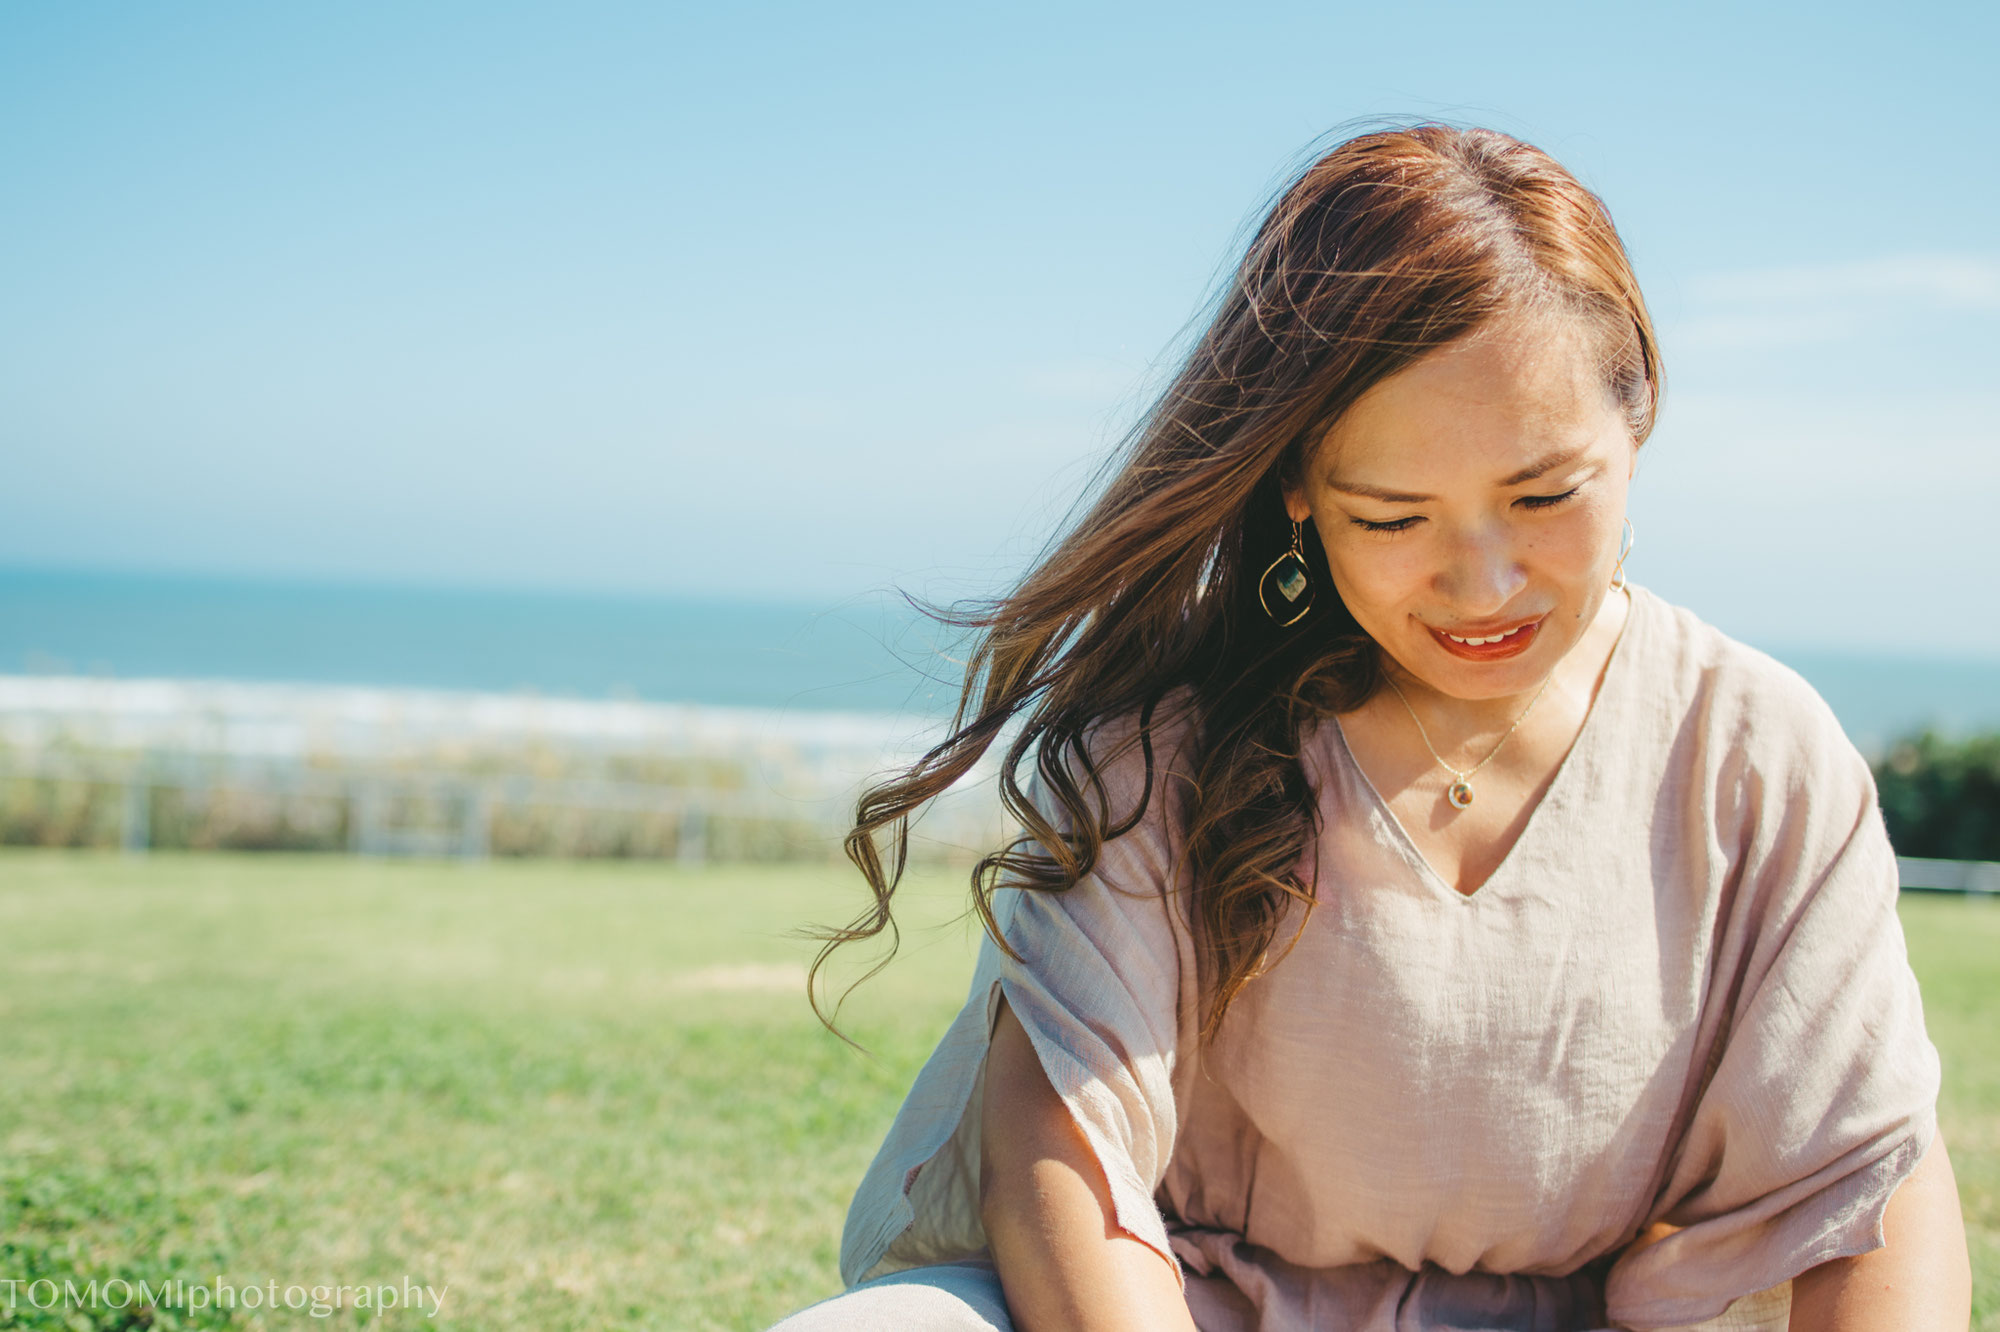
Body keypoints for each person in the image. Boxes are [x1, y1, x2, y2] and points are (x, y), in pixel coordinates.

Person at [769, 124, 1970, 1331]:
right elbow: (1061, 1157)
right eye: (1393, 518)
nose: (1482, 582)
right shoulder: (1157, 740)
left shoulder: (1757, 756)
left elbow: (1867, 1189)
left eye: (1542, 495)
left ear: (1636, 422)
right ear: (1295, 485)